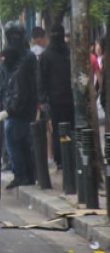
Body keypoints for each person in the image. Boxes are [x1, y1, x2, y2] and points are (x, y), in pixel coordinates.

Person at [0, 23, 38, 189]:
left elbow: (19, 88)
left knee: (17, 144)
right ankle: (26, 174)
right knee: (22, 144)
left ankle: (22, 174)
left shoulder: (27, 58)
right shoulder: (11, 59)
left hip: (19, 110)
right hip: (17, 108)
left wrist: (9, 109)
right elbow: (3, 84)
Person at [36, 23, 73, 170]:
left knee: (64, 131)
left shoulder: (67, 53)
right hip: (59, 101)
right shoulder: (62, 53)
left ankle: (64, 160)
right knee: (62, 131)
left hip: (62, 100)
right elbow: (41, 81)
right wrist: (44, 101)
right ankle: (62, 159)